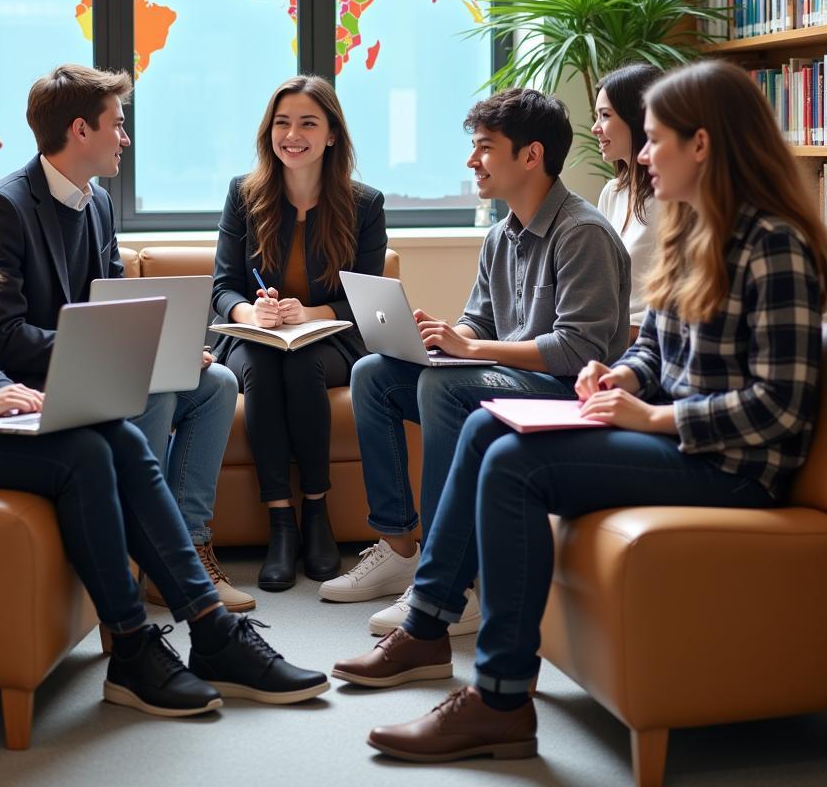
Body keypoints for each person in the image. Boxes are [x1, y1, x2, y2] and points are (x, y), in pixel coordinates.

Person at [333, 58, 827, 762]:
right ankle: (431, 627)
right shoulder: (691, 234)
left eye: (653, 139)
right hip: (682, 445)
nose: (642, 156)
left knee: (511, 465)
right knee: (484, 431)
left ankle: (498, 697)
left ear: (703, 145)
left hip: (732, 467)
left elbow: (779, 409)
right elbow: (653, 353)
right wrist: (616, 373)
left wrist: (654, 418)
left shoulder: (773, 244)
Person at [0, 60, 327, 718]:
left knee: (111, 435)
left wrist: (2, 391)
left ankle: (210, 630)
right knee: (85, 452)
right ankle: (134, 648)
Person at [319, 88, 631, 636]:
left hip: (563, 394)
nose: (471, 161)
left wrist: (472, 351)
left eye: (485, 148)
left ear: (531, 155)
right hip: (510, 376)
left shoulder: (582, 233)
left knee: (447, 389)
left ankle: (451, 584)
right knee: (372, 375)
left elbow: (580, 350)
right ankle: (399, 549)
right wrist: (444, 337)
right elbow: (479, 323)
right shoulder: (498, 236)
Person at [0, 64, 252, 612]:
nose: (124, 138)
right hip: (42, 382)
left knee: (215, 382)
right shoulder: (3, 208)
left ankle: (187, 548)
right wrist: (125, 355)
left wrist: (165, 346)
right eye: (117, 125)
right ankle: (144, 551)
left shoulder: (97, 201)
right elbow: (1, 336)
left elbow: (118, 302)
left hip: (104, 366)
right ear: (80, 130)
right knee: (153, 388)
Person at [212, 74, 387, 592]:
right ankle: (281, 523)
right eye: (282, 123)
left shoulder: (364, 204)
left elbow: (363, 297)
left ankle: (317, 512)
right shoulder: (243, 195)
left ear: (331, 133)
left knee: (302, 364)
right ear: (270, 132)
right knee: (267, 366)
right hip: (253, 338)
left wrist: (308, 313)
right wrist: (252, 314)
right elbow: (223, 286)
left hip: (330, 338)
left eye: (308, 122)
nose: (293, 134)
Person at [591, 62, 663, 339]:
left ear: (638, 118)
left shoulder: (673, 198)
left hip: (643, 340)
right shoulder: (612, 192)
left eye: (605, 116)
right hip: (608, 337)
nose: (596, 128)